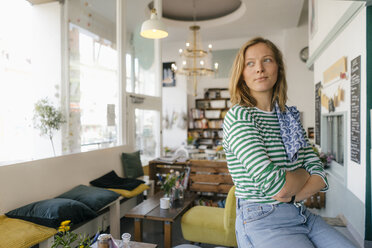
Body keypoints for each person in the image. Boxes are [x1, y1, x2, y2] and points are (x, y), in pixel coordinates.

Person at [223, 37, 356, 248]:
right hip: (263, 218)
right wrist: (304, 174)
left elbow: (320, 174)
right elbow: (278, 186)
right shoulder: (240, 117)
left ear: (278, 69)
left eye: (267, 60)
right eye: (250, 63)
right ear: (242, 73)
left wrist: (293, 194)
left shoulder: (288, 117)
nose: (259, 69)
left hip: (300, 212)